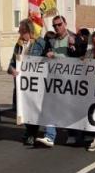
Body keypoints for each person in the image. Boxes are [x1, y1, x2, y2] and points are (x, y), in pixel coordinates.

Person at [36, 15, 86, 148]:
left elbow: (80, 57)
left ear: (65, 24)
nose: (57, 27)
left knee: (68, 109)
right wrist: (46, 54)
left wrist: (72, 46)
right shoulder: (52, 40)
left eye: (59, 24)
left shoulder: (75, 38)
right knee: (48, 107)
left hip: (70, 81)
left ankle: (73, 134)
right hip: (54, 80)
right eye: (55, 25)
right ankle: (50, 136)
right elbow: (45, 54)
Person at [7, 19, 45, 143]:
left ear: (28, 30)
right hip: (21, 85)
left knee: (33, 108)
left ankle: (32, 133)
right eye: (19, 30)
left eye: (21, 30)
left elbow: (48, 61)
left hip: (35, 83)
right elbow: (12, 63)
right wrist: (11, 70)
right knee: (23, 109)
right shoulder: (18, 45)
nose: (19, 32)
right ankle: (30, 131)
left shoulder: (40, 43)